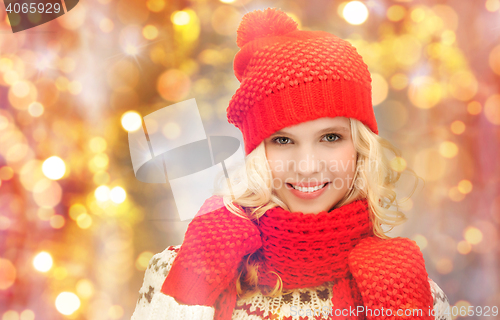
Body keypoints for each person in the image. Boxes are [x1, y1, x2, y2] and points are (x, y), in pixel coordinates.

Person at [132, 8, 451, 320]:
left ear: (360, 148)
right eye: (283, 141)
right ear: (257, 154)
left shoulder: (413, 288)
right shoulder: (177, 267)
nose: (308, 166)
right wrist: (193, 280)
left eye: (330, 137)